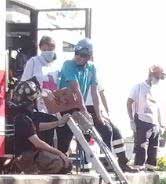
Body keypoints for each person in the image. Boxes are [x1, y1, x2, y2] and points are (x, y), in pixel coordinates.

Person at [56, 39, 134, 171]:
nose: (79, 58)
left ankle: (108, 163)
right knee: (66, 137)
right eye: (78, 54)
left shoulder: (92, 68)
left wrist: (99, 115)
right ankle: (60, 165)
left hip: (79, 106)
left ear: (89, 56)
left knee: (106, 129)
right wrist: (84, 110)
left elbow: (94, 92)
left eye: (84, 55)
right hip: (65, 105)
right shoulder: (68, 65)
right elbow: (76, 89)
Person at [9, 79, 72, 175]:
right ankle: (35, 173)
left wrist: (58, 123)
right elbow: (37, 143)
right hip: (27, 157)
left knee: (65, 164)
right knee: (60, 163)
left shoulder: (24, 117)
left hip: (30, 155)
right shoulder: (23, 119)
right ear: (31, 101)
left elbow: (38, 127)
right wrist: (60, 153)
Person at [127, 65, 166, 169]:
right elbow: (129, 103)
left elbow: (158, 108)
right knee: (141, 147)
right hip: (141, 120)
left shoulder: (157, 90)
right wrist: (131, 120)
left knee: (153, 148)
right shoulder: (138, 87)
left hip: (155, 124)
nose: (158, 80)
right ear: (151, 75)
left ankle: (151, 169)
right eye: (157, 77)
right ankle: (138, 168)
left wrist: (161, 124)